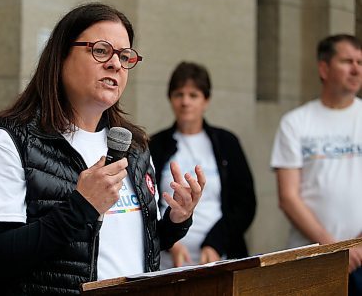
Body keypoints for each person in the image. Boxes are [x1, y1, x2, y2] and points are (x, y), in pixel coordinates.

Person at [0, 2, 205, 295]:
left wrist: (176, 221)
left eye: (125, 56)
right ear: (61, 56)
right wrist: (80, 208)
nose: (115, 64)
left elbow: (127, 246)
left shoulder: (134, 148)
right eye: (101, 51)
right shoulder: (8, 144)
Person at [270, 34, 362, 295]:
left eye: (360, 61)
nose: (356, 68)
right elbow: (288, 197)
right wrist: (334, 248)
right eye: (347, 61)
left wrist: (357, 248)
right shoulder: (296, 123)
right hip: (312, 258)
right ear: (324, 68)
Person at [150, 62, 256, 268]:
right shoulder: (154, 144)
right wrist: (169, 240)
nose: (185, 102)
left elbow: (244, 204)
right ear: (170, 99)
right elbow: (147, 202)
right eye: (179, 94)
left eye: (193, 95)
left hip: (220, 258)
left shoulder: (227, 142)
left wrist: (215, 243)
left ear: (206, 100)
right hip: (168, 263)